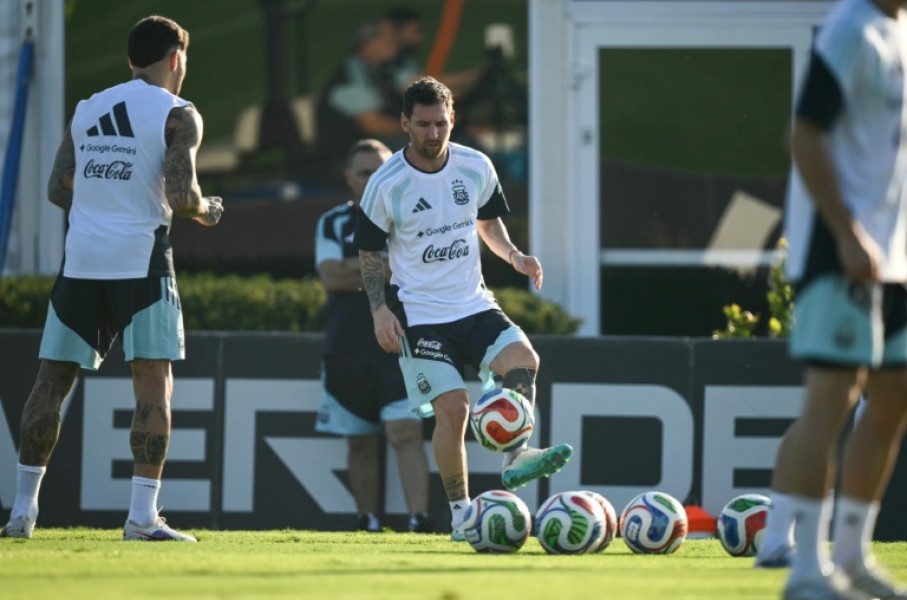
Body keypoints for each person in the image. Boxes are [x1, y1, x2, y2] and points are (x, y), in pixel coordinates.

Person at [0, 15, 223, 542]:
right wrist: (207, 210)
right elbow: (180, 196)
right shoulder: (178, 113)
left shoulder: (88, 107)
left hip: (81, 261)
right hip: (142, 262)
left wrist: (102, 201)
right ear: (176, 59)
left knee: (49, 385)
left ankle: (21, 513)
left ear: (130, 60)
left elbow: (58, 188)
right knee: (153, 388)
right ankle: (142, 518)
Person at [354, 76, 573, 540]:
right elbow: (371, 256)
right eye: (423, 124)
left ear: (453, 119)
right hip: (420, 314)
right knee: (453, 408)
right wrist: (379, 310)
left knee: (524, 361)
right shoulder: (386, 184)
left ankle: (516, 457)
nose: (433, 134)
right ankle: (461, 516)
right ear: (405, 124)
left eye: (440, 123)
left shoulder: (475, 166)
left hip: (473, 304)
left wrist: (515, 256)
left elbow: (487, 223)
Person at [756, 1, 907, 598]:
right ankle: (802, 567)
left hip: (894, 261)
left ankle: (851, 556)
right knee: (832, 401)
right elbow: (804, 132)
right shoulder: (849, 30)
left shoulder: (898, 33)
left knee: (892, 400)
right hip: (839, 253)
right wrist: (847, 231)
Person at [314, 138, 433, 533]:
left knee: (406, 432)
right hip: (347, 350)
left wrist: (361, 269)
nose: (372, 178)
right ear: (349, 179)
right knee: (360, 441)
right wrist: (383, 267)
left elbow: (417, 274)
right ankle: (369, 523)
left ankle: (419, 520)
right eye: (364, 172)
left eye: (379, 170)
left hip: (402, 347)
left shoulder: (413, 218)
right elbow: (331, 276)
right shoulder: (332, 221)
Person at [314, 17, 406, 181]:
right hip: (345, 161)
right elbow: (375, 124)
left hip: (370, 151)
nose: (397, 43)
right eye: (390, 39)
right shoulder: (350, 77)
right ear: (368, 43)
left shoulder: (377, 71)